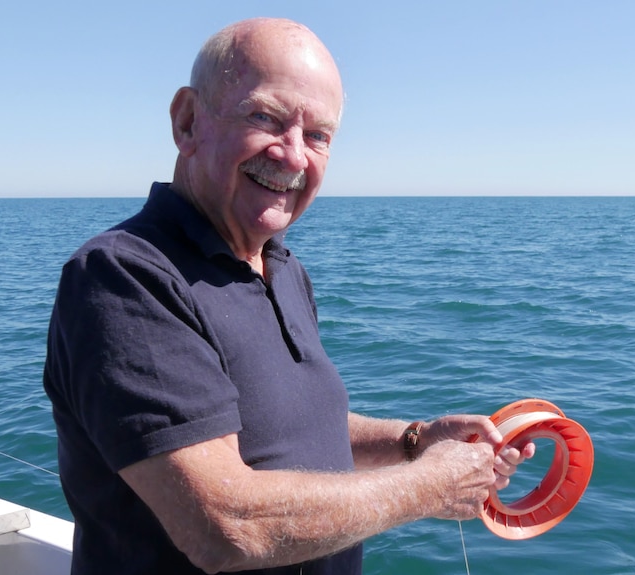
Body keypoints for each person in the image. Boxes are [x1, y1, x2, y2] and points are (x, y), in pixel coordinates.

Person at [44, 17, 533, 575]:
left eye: (318, 135)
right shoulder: (122, 277)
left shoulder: (282, 268)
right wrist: (431, 485)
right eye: (265, 117)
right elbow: (224, 527)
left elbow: (287, 427)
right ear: (187, 122)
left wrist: (412, 441)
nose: (294, 156)